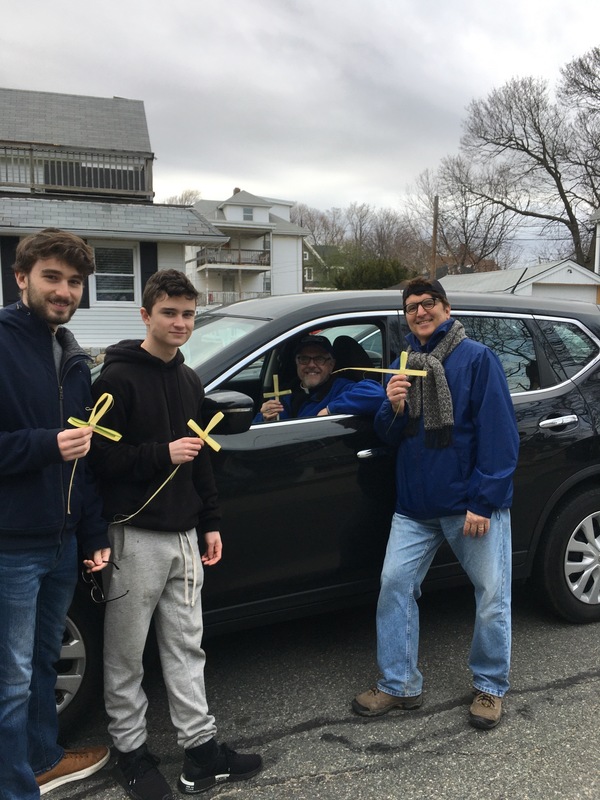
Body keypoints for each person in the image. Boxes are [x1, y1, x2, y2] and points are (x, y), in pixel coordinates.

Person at [88, 269, 262, 800]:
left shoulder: (189, 380)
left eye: (188, 313)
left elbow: (201, 457)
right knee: (125, 653)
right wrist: (159, 454)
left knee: (188, 647)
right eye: (169, 313)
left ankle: (201, 751)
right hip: (133, 536)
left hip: (185, 534)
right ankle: (131, 753)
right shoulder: (114, 379)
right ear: (146, 315)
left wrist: (210, 522)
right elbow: (97, 458)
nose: (180, 323)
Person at [352, 277, 519, 730]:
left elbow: (500, 438)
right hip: (414, 507)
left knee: (490, 596)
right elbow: (390, 434)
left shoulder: (477, 359)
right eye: (411, 307)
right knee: (394, 586)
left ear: (445, 307)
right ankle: (399, 684)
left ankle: (489, 686)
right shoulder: (404, 362)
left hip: (469, 505)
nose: (420, 312)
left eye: (428, 304)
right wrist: (392, 405)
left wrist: (484, 503)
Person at [0, 228, 111, 799]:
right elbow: (57, 445)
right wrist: (46, 444)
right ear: (22, 278)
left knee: (43, 661)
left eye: (73, 281)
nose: (64, 290)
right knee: (11, 679)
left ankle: (44, 759)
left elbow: (83, 459)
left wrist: (91, 531)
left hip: (63, 540)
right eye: (52, 277)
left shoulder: (71, 353)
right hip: (12, 543)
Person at [256, 334, 385, 421]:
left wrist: (330, 410)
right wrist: (264, 417)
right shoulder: (284, 394)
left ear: (331, 364)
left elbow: (376, 394)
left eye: (319, 358)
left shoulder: (341, 388)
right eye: (304, 359)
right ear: (296, 362)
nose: (311, 365)